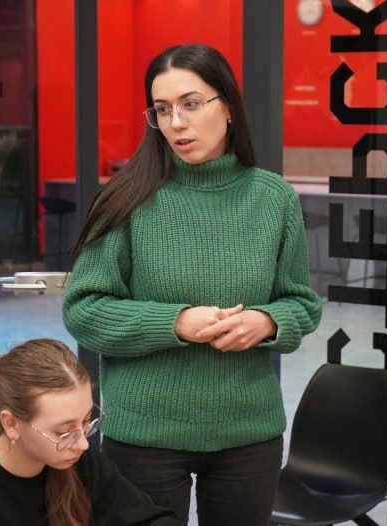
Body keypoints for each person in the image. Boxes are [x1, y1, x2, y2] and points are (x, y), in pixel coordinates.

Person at [62, 43, 322, 525]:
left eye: (191, 104)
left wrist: (266, 322)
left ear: (227, 107)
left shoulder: (273, 198)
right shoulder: (125, 199)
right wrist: (175, 322)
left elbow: (302, 304)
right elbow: (84, 310)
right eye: (162, 110)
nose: (177, 123)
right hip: (144, 436)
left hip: (248, 434)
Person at [0, 338, 178, 526]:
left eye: (86, 421)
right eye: (63, 432)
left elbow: (153, 520)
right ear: (11, 424)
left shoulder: (79, 462)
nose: (83, 444)